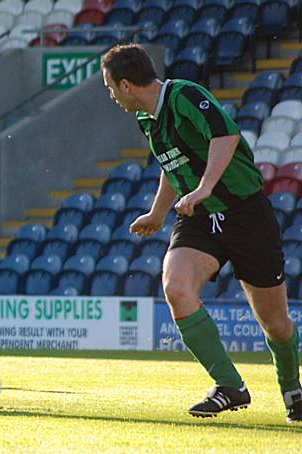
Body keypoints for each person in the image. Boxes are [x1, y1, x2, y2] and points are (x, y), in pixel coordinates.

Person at [101, 44, 301, 422]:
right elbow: (171, 163)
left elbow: (224, 137)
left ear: (126, 84)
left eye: (110, 87)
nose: (111, 95)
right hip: (198, 216)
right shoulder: (147, 119)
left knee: (274, 321)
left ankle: (293, 390)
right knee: (176, 287)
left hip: (245, 214)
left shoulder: (185, 95)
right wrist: (157, 213)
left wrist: (206, 186)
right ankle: (230, 386)